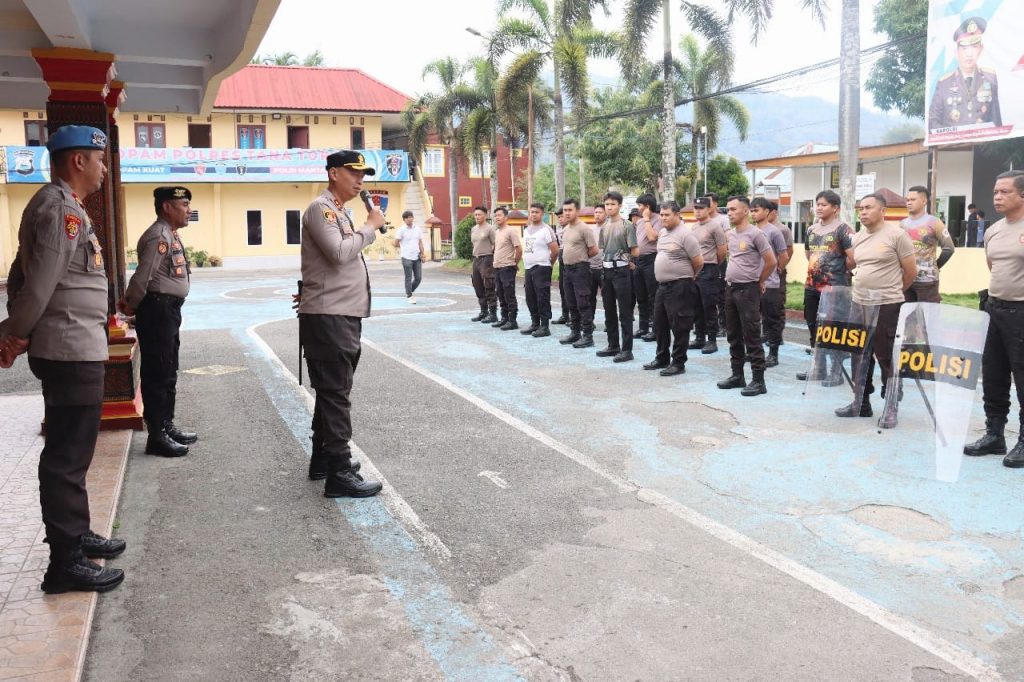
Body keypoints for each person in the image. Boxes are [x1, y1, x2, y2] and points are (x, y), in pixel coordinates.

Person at [0, 125, 125, 593]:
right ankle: (65, 561)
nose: (104, 168)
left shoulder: (62, 207)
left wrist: (17, 326)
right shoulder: (59, 209)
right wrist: (13, 334)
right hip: (68, 348)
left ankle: (78, 533)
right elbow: (39, 284)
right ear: (78, 161)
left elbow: (21, 271)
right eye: (99, 160)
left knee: (76, 451)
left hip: (76, 344)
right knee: (67, 457)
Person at [297, 150, 385, 497]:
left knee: (334, 390)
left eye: (363, 173)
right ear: (333, 173)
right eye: (353, 172)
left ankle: (323, 458)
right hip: (330, 316)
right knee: (336, 394)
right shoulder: (321, 209)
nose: (360, 179)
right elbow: (337, 254)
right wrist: (369, 228)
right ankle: (339, 472)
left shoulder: (340, 211)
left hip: (340, 312)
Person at [119, 186, 198, 458]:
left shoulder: (170, 234)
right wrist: (130, 303)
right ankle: (157, 436)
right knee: (157, 373)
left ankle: (166, 425)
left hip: (168, 311)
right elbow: (143, 276)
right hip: (157, 311)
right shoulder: (159, 236)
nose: (188, 210)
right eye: (184, 204)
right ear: (167, 207)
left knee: (168, 370)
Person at [839, 193, 917, 423]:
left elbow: (911, 271)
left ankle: (891, 405)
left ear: (882, 211)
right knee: (859, 354)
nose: (863, 212)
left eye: (868, 208)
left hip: (887, 303)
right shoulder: (859, 237)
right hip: (860, 302)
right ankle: (860, 402)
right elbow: (855, 264)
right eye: (860, 208)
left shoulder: (897, 235)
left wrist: (893, 293)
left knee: (885, 354)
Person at [964, 170, 1024, 468]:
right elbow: (993, 265)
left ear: (1022, 194)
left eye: (1005, 192)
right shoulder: (994, 230)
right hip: (994, 308)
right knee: (993, 373)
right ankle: (994, 434)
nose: (997, 197)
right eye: (996, 192)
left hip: (1022, 312)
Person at [717, 196, 776, 397]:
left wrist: (759, 281)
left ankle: (759, 381)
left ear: (745, 211)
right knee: (732, 334)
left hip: (748, 290)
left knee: (751, 334)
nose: (730, 213)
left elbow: (771, 261)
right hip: (730, 289)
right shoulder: (730, 235)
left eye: (734, 209)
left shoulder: (756, 234)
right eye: (728, 210)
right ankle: (737, 375)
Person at [797, 190, 853, 383]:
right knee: (814, 327)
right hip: (811, 286)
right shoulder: (811, 230)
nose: (819, 208)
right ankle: (818, 369)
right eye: (817, 204)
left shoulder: (843, 230)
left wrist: (836, 272)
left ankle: (836, 373)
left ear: (835, 208)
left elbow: (853, 259)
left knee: (834, 329)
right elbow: (808, 254)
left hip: (834, 289)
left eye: (824, 205)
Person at [642, 202, 703, 376]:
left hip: (680, 286)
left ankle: (678, 363)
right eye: (661, 215)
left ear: (677, 215)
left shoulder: (686, 234)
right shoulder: (662, 232)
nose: (663, 218)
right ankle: (662, 358)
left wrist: (688, 276)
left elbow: (698, 262)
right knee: (660, 324)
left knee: (680, 325)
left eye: (667, 215)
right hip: (662, 286)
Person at [928, 16, 1001, 132]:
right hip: (954, 147)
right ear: (956, 52)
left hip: (984, 145)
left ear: (981, 49)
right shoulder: (944, 84)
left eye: (974, 47)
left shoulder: (990, 78)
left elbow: (996, 121)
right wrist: (956, 135)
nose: (969, 54)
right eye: (964, 48)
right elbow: (932, 123)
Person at [597, 191, 638, 362]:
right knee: (609, 310)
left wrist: (629, 262)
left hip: (622, 272)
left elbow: (635, 250)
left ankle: (627, 350)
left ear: (619, 206)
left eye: (613, 204)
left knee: (625, 312)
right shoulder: (604, 227)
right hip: (607, 272)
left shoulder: (626, 225)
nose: (609, 207)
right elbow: (602, 250)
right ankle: (613, 345)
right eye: (607, 204)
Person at [751, 198, 790, 367]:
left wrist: (778, 270)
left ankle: (773, 354)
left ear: (767, 212)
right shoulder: (750, 231)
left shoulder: (774, 232)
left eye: (757, 210)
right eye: (751, 211)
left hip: (771, 283)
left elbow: (784, 255)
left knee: (771, 319)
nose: (753, 213)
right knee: (752, 319)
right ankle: (754, 352)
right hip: (752, 282)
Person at [901, 185, 955, 303]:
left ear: (924, 201)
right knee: (906, 317)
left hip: (927, 281)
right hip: (905, 280)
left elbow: (949, 248)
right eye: (907, 200)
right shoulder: (902, 224)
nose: (909, 203)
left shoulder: (934, 222)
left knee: (928, 317)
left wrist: (935, 266)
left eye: (913, 200)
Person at [558, 198, 599, 349]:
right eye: (565, 210)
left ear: (577, 211)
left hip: (580, 270)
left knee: (583, 303)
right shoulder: (566, 228)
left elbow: (594, 249)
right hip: (567, 270)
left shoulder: (584, 228)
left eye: (570, 210)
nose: (567, 213)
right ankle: (575, 332)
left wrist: (581, 258)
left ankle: (587, 335)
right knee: (571, 303)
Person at [688, 197, 727, 354]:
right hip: (695, 270)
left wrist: (713, 265)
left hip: (710, 269)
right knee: (696, 305)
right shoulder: (694, 227)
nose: (697, 211)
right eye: (695, 208)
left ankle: (712, 340)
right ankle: (699, 337)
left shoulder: (715, 227)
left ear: (709, 209)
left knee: (709, 306)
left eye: (701, 208)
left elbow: (722, 251)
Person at [521, 202, 559, 337]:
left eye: (536, 212)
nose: (533, 214)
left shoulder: (546, 229)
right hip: (528, 268)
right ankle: (535, 323)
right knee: (530, 297)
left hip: (541, 268)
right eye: (531, 212)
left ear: (542, 214)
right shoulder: (526, 230)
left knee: (542, 297)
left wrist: (549, 264)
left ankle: (544, 326)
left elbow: (555, 251)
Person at [633, 194, 660, 342]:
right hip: (639, 261)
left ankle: (656, 329)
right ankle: (643, 327)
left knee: (653, 296)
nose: (639, 209)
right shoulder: (640, 221)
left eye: (640, 206)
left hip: (652, 260)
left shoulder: (657, 219)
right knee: (641, 296)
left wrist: (648, 219)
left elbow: (651, 237)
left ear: (647, 207)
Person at [491, 206, 523, 330]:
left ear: (505, 217)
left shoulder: (511, 231)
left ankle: (512, 320)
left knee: (509, 294)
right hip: (497, 268)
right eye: (495, 216)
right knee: (500, 293)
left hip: (507, 267)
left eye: (499, 215)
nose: (497, 218)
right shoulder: (497, 232)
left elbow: (518, 249)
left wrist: (514, 262)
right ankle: (504, 318)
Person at [704, 192, 730, 337]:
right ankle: (707, 325)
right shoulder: (701, 221)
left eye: (708, 202)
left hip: (718, 262)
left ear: (714, 204)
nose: (705, 206)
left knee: (720, 294)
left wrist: (719, 260)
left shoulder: (722, 220)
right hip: (705, 264)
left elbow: (726, 241)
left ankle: (723, 326)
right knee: (706, 295)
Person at [769, 201, 795, 333]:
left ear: (774, 212)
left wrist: (780, 266)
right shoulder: (757, 228)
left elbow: (789, 250)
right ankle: (766, 332)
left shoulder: (783, 229)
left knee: (777, 302)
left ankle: (777, 333)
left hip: (777, 271)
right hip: (762, 272)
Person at [469, 206, 497, 323]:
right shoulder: (474, 229)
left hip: (487, 259)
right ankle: (483, 311)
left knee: (488, 285)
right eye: (475, 215)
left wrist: (492, 259)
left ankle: (493, 314)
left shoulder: (490, 229)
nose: (477, 217)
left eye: (479, 214)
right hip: (476, 259)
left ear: (485, 215)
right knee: (478, 285)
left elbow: (495, 244)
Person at [394, 210, 426, 304]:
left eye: (412, 217)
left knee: (418, 278)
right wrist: (404, 247)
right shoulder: (401, 230)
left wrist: (422, 254)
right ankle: (409, 295)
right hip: (406, 257)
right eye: (409, 217)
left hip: (416, 257)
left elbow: (420, 242)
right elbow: (396, 243)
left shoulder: (418, 229)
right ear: (404, 219)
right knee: (408, 277)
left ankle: (409, 291)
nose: (411, 219)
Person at [552, 208, 570, 325]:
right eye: (558, 217)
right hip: (562, 258)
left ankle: (574, 316)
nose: (560, 219)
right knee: (563, 289)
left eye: (562, 216)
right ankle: (565, 314)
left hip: (572, 258)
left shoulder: (572, 228)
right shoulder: (558, 230)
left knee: (572, 290)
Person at [589, 204, 605, 324]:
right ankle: (590, 321)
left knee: (607, 297)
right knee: (589, 297)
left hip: (604, 268)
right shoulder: (590, 229)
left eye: (600, 212)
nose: (597, 215)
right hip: (590, 268)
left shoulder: (609, 228)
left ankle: (609, 321)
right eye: (596, 212)